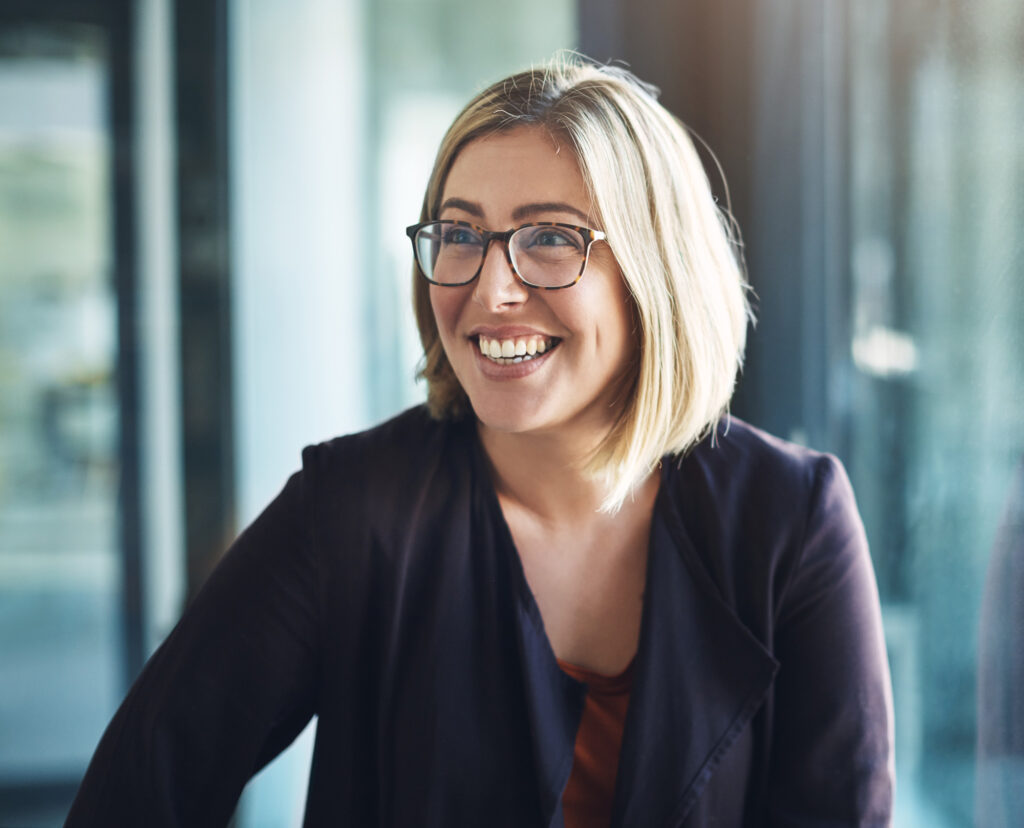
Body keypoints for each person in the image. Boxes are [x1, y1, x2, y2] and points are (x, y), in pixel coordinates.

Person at [66, 54, 893, 827]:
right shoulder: (352, 511)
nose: (491, 289)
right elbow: (139, 790)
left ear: (656, 271)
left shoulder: (792, 520)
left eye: (550, 239)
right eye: (459, 235)